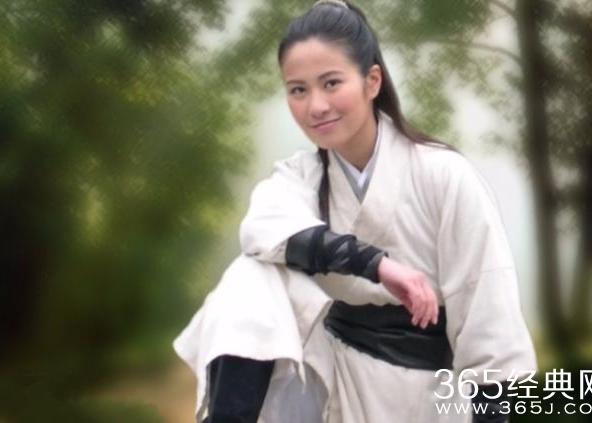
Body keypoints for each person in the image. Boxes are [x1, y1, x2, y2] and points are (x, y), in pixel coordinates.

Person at [174, 0, 537, 422]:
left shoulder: (444, 175)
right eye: (298, 90)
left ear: (372, 80)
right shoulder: (301, 178)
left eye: (331, 83)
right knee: (251, 275)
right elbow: (260, 231)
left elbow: (491, 322)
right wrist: (378, 265)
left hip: (424, 396)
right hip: (332, 380)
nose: (316, 106)